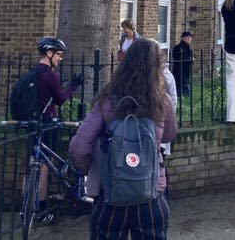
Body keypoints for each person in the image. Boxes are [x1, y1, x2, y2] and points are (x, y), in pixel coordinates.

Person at [68, 38, 177, 239]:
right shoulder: (163, 101)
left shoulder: (107, 100)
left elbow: (78, 149)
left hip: (111, 195)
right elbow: (169, 135)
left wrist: (99, 168)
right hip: (151, 193)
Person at [32, 37, 83, 220]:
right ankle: (42, 209)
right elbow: (60, 99)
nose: (60, 58)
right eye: (58, 55)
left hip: (33, 123)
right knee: (45, 166)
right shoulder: (49, 75)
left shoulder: (33, 73)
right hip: (48, 123)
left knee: (32, 164)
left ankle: (25, 208)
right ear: (49, 53)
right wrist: (73, 86)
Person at [171, 31, 193, 97]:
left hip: (186, 69)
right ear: (183, 38)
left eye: (190, 38)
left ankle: (185, 97)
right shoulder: (178, 47)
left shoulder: (188, 47)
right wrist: (189, 59)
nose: (189, 39)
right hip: (179, 70)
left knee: (185, 83)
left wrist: (191, 59)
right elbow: (178, 58)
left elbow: (189, 57)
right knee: (180, 84)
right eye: (187, 38)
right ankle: (180, 96)